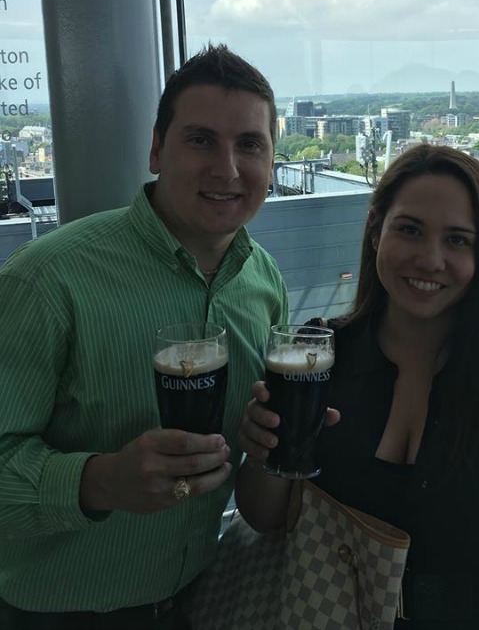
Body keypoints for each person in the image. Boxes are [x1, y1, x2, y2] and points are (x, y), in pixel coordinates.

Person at [236, 143, 479, 630]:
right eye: (409, 230)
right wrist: (264, 453)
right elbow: (265, 517)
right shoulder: (316, 358)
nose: (430, 259)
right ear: (375, 230)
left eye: (458, 240)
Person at [0, 44, 288, 629]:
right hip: (60, 615)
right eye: (201, 139)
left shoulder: (264, 283)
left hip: (200, 599)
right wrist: (102, 481)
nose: (228, 169)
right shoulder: (46, 279)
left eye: (250, 145)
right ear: (157, 149)